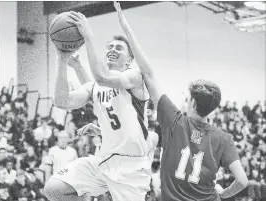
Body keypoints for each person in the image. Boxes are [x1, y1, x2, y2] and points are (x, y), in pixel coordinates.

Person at [113, 1, 248, 200]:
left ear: (192, 103)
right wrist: (222, 196)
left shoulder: (175, 121)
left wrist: (125, 25)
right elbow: (243, 181)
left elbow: (148, 74)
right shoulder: (224, 138)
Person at [44, 9, 152, 201]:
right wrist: (63, 59)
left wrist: (88, 35)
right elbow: (63, 101)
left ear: (129, 60)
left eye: (119, 48)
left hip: (130, 167)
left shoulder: (134, 77)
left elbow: (102, 78)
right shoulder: (95, 86)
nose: (112, 49)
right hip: (103, 160)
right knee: (54, 189)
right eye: (109, 47)